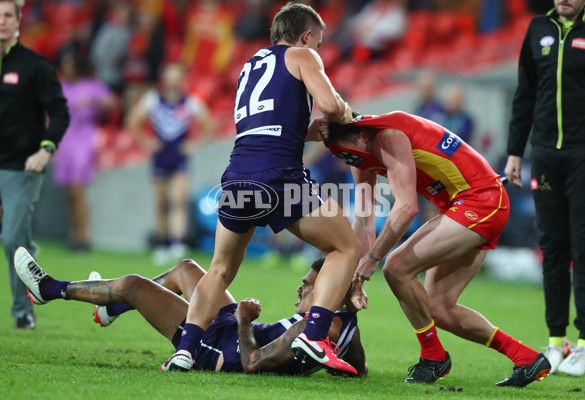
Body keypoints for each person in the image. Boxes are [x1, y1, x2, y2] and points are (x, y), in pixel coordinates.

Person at [162, 2, 361, 375]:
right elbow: (333, 105)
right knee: (345, 247)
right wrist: (344, 115)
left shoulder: (250, 65)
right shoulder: (303, 55)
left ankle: (184, 352)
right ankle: (315, 337)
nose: (316, 49)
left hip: (238, 172)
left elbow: (264, 126)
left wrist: (308, 130)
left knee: (219, 270)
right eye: (317, 42)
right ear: (305, 36)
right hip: (280, 175)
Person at [322, 111, 551, 387]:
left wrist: (372, 259)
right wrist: (354, 275)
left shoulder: (389, 136)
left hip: (480, 200)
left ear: (361, 134)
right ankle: (526, 358)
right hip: (463, 204)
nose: (348, 160)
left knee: (395, 267)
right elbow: (363, 218)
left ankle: (433, 357)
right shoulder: (358, 156)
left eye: (347, 152)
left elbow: (406, 208)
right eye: (340, 155)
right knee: (438, 308)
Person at [13, 247, 367, 376]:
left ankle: (49, 290)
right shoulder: (342, 324)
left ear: (325, 291)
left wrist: (244, 320)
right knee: (186, 269)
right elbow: (356, 370)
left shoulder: (313, 329)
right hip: (232, 328)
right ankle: (112, 309)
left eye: (308, 284)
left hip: (220, 348)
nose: (300, 287)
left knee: (134, 284)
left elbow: (252, 363)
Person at [504, 0, 585, 377]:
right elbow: (524, 93)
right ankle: (556, 340)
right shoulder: (536, 30)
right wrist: (515, 151)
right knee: (553, 248)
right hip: (544, 154)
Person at [0, 0, 70, 330]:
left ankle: (21, 311)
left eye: (7, 15)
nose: (1, 21)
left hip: (20, 167)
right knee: (18, 238)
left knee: (12, 236)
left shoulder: (34, 65)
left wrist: (46, 149)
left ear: (18, 20)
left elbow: (59, 112)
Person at [127, 62, 215, 265]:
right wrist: (146, 141)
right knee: (161, 203)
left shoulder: (190, 102)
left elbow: (209, 126)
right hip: (160, 155)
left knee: (178, 200)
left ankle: (177, 243)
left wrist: (193, 145)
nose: (172, 81)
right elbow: (133, 121)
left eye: (176, 76)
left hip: (179, 156)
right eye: (169, 76)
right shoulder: (153, 100)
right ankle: (162, 243)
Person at [53, 50, 116, 252]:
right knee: (68, 192)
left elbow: (113, 103)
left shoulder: (93, 86)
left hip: (84, 137)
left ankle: (84, 237)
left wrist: (95, 102)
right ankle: (74, 235)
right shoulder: (62, 86)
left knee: (78, 190)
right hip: (66, 138)